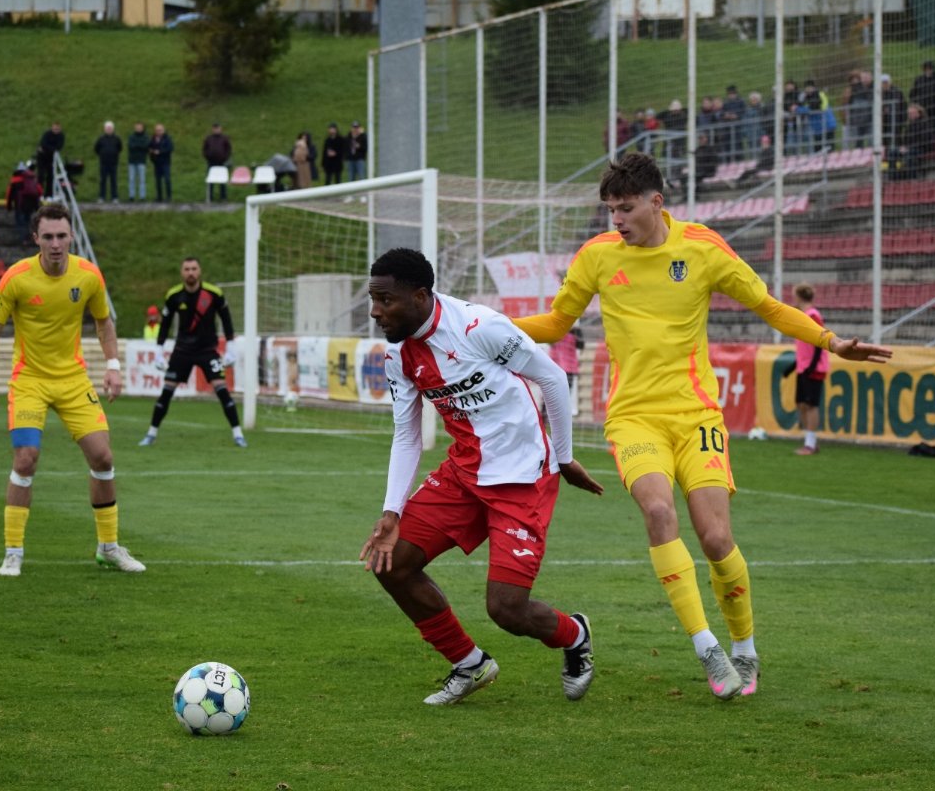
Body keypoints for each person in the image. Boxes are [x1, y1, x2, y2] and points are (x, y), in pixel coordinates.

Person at [512, 153, 892, 700]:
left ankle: (745, 648)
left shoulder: (702, 248)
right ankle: (706, 646)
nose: (616, 220)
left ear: (656, 202)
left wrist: (830, 342)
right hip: (633, 417)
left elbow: (768, 307)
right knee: (658, 512)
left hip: (697, 417)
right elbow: (555, 323)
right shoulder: (597, 255)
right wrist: (483, 325)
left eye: (625, 208)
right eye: (610, 209)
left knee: (715, 539)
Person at [360, 247, 604, 706]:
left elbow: (552, 378)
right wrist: (391, 511)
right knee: (390, 562)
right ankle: (469, 663)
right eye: (373, 299)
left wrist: (564, 457)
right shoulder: (398, 354)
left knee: (507, 609)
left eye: (385, 300)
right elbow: (407, 435)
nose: (375, 311)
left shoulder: (479, 327)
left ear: (420, 296)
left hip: (522, 478)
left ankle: (574, 635)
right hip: (463, 474)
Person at [0, 203, 145, 578]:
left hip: (73, 380)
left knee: (102, 457)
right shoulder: (16, 277)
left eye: (62, 236)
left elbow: (104, 322)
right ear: (35, 238)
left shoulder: (88, 275)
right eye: (48, 237)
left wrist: (113, 366)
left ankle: (109, 548)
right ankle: (13, 552)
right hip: (30, 381)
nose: (56, 244)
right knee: (26, 459)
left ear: (71, 237)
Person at [140, 256, 246, 448]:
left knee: (222, 390)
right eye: (187, 269)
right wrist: (159, 351)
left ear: (200, 271)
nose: (191, 273)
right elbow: (165, 325)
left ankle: (238, 435)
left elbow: (226, 319)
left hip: (208, 350)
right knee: (166, 392)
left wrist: (231, 346)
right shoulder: (174, 295)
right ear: (182, 273)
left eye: (194, 269)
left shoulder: (213, 293)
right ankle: (151, 434)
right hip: (183, 350)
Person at [783, 283, 830, 455]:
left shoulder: (813, 315)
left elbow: (819, 342)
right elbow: (805, 347)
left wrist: (812, 366)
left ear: (799, 296)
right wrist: (793, 367)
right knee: (801, 404)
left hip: (813, 368)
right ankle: (809, 441)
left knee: (811, 405)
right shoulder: (804, 315)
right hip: (804, 367)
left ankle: (810, 444)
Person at [6, 162, 43, 246]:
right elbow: (40, 191)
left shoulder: (15, 180)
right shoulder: (31, 179)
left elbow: (9, 194)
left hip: (20, 205)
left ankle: (24, 239)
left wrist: (9, 206)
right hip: (31, 205)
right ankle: (29, 237)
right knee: (27, 221)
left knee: (20, 223)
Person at [909, 61, 935, 136]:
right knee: (920, 129)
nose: (928, 70)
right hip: (920, 110)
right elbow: (912, 94)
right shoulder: (919, 80)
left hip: (933, 110)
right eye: (926, 68)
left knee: (933, 129)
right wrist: (916, 105)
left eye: (930, 68)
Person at [202, 122, 232, 202]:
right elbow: (204, 149)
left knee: (222, 180)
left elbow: (228, 149)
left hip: (222, 162)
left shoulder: (224, 138)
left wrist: (225, 157)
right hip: (211, 162)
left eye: (218, 128)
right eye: (215, 128)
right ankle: (210, 196)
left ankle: (223, 197)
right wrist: (208, 156)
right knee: (210, 180)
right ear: (213, 129)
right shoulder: (209, 138)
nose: (216, 130)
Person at [94, 121, 122, 203]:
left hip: (113, 163)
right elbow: (96, 148)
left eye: (110, 128)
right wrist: (102, 154)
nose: (109, 130)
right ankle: (102, 197)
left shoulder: (117, 139)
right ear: (104, 129)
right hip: (103, 163)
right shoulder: (101, 139)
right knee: (103, 180)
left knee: (114, 180)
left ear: (113, 129)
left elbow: (120, 148)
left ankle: (114, 197)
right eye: (107, 128)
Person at [37, 122, 65, 199]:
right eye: (55, 128)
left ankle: (49, 194)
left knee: (51, 176)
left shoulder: (61, 136)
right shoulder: (47, 134)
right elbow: (43, 143)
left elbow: (59, 146)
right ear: (52, 128)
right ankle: (39, 193)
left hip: (51, 158)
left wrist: (48, 149)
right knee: (41, 175)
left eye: (57, 129)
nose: (56, 130)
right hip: (42, 157)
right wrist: (52, 149)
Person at [149, 123, 174, 202]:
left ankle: (169, 197)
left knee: (167, 179)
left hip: (165, 162)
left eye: (160, 130)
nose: (158, 132)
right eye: (157, 130)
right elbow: (150, 147)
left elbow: (170, 148)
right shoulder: (153, 138)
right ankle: (159, 197)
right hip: (157, 162)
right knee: (158, 180)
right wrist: (152, 153)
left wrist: (160, 152)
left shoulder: (167, 138)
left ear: (163, 130)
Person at [126, 122, 149, 202]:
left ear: (143, 128)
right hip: (132, 161)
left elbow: (145, 147)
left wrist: (137, 146)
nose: (138, 129)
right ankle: (131, 196)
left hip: (141, 160)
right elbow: (131, 146)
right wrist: (140, 146)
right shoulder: (131, 137)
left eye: (140, 127)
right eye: (137, 127)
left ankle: (142, 196)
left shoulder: (146, 137)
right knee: (131, 179)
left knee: (142, 180)